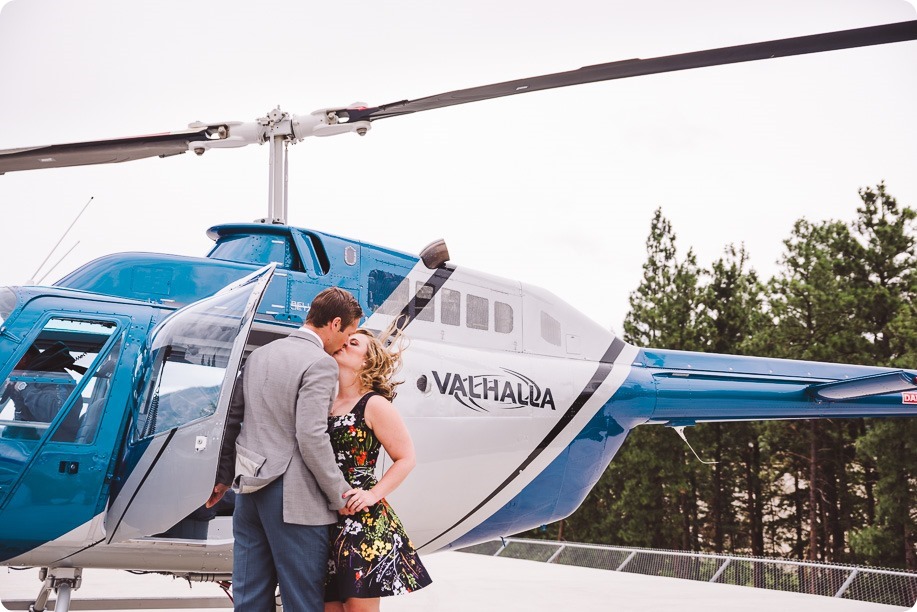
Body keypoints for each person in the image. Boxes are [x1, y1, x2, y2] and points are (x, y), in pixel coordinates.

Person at [206, 287, 365, 612]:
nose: (344, 343)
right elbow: (311, 435)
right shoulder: (321, 364)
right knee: (303, 603)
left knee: (249, 601)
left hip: (248, 495)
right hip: (295, 501)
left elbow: (231, 418)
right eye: (348, 333)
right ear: (335, 324)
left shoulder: (260, 355)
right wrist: (340, 494)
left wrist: (223, 478)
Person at [325, 328, 432, 611]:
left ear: (367, 361)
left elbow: (406, 458)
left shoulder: (374, 404)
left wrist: (373, 495)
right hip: (322, 519)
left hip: (362, 522)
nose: (344, 343)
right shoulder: (324, 402)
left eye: (354, 343)